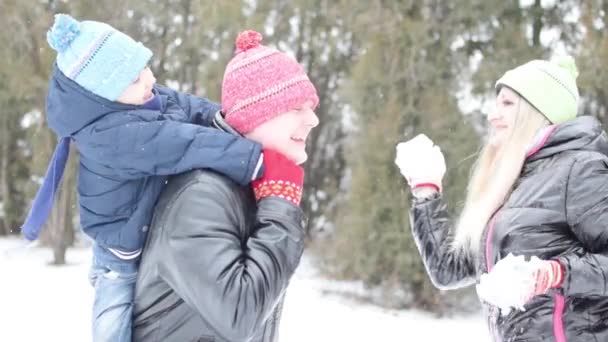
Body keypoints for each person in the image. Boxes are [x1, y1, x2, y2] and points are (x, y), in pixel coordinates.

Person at [20, 14, 265, 342]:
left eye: (144, 66)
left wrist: (223, 118)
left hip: (142, 232)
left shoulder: (138, 97)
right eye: (135, 78)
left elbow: (186, 106)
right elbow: (182, 143)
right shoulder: (113, 136)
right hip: (117, 253)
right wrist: (251, 158)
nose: (149, 79)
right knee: (113, 321)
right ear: (104, 95)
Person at [394, 56, 608, 341]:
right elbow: (449, 270)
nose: (491, 115)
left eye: (507, 103)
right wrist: (426, 190)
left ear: (538, 110)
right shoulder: (513, 181)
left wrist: (555, 273)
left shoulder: (581, 169)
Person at [132, 30, 319, 342]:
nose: (313, 119)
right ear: (253, 117)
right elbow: (240, 315)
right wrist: (281, 203)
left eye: (311, 106)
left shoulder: (247, 188)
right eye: (297, 108)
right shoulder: (201, 193)